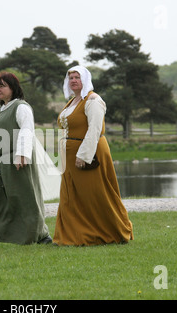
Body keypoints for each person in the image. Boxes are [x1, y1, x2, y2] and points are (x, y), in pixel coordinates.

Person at [0, 72, 52, 248]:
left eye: (2, 86)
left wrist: (22, 155)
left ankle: (41, 235)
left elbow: (27, 131)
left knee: (25, 198)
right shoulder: (0, 110)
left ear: (13, 88)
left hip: (17, 160)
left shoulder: (21, 107)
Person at [53, 66, 133, 246]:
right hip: (70, 156)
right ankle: (72, 235)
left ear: (85, 80)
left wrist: (84, 155)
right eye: (71, 77)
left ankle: (110, 232)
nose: (73, 80)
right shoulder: (72, 102)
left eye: (77, 77)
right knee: (72, 196)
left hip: (89, 154)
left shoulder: (93, 100)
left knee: (95, 194)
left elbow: (95, 129)